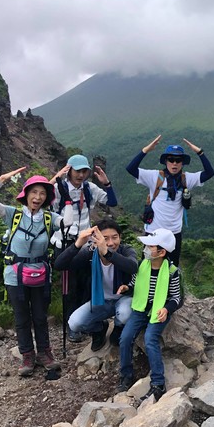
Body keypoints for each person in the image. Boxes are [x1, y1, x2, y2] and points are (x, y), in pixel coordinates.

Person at [0, 167, 73, 376]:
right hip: (15, 275)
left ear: (46, 197)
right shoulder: (12, 215)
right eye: (34, 192)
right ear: (26, 194)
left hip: (41, 273)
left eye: (42, 193)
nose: (38, 197)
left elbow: (67, 222)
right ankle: (27, 356)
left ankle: (45, 354)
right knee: (22, 318)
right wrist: (0, 180)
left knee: (40, 316)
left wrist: (66, 198)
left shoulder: (49, 218)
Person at [50, 154, 118, 343]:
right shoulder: (58, 188)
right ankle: (71, 325)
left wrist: (107, 184)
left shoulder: (89, 189)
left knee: (88, 284)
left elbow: (111, 202)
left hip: (87, 244)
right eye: (77, 170)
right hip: (65, 243)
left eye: (84, 171)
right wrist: (55, 179)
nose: (81, 175)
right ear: (69, 170)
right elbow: (42, 201)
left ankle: (86, 322)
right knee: (69, 286)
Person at [126, 135, 214, 265]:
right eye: (171, 159)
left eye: (178, 160)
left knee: (171, 268)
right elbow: (131, 169)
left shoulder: (187, 179)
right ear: (165, 161)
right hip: (153, 231)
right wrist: (146, 150)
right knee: (147, 265)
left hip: (173, 233)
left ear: (183, 163)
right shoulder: (155, 177)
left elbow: (209, 173)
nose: (174, 163)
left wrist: (200, 152)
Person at [116, 228, 182, 399]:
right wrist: (126, 288)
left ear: (161, 252)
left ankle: (158, 383)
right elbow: (133, 283)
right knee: (125, 337)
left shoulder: (172, 271)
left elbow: (176, 297)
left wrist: (166, 309)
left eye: (150, 247)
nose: (145, 249)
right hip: (140, 309)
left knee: (150, 339)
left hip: (158, 310)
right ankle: (126, 374)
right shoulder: (142, 265)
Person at [54, 218, 138, 351]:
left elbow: (132, 267)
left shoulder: (125, 250)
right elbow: (59, 265)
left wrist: (107, 253)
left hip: (124, 298)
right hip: (100, 300)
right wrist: (77, 245)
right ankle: (99, 329)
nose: (111, 243)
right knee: (74, 323)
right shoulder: (90, 253)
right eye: (105, 238)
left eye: (114, 237)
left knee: (124, 314)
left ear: (120, 237)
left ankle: (118, 327)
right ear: (95, 239)